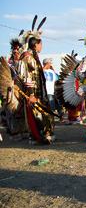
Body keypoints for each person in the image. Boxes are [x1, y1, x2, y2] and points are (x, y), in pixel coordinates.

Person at [17, 15, 55, 144]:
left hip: (39, 93)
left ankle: (42, 135)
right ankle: (37, 137)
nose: (42, 46)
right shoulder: (28, 57)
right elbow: (25, 76)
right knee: (37, 115)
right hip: (33, 94)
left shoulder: (34, 57)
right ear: (36, 44)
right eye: (41, 43)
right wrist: (32, 94)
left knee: (43, 115)